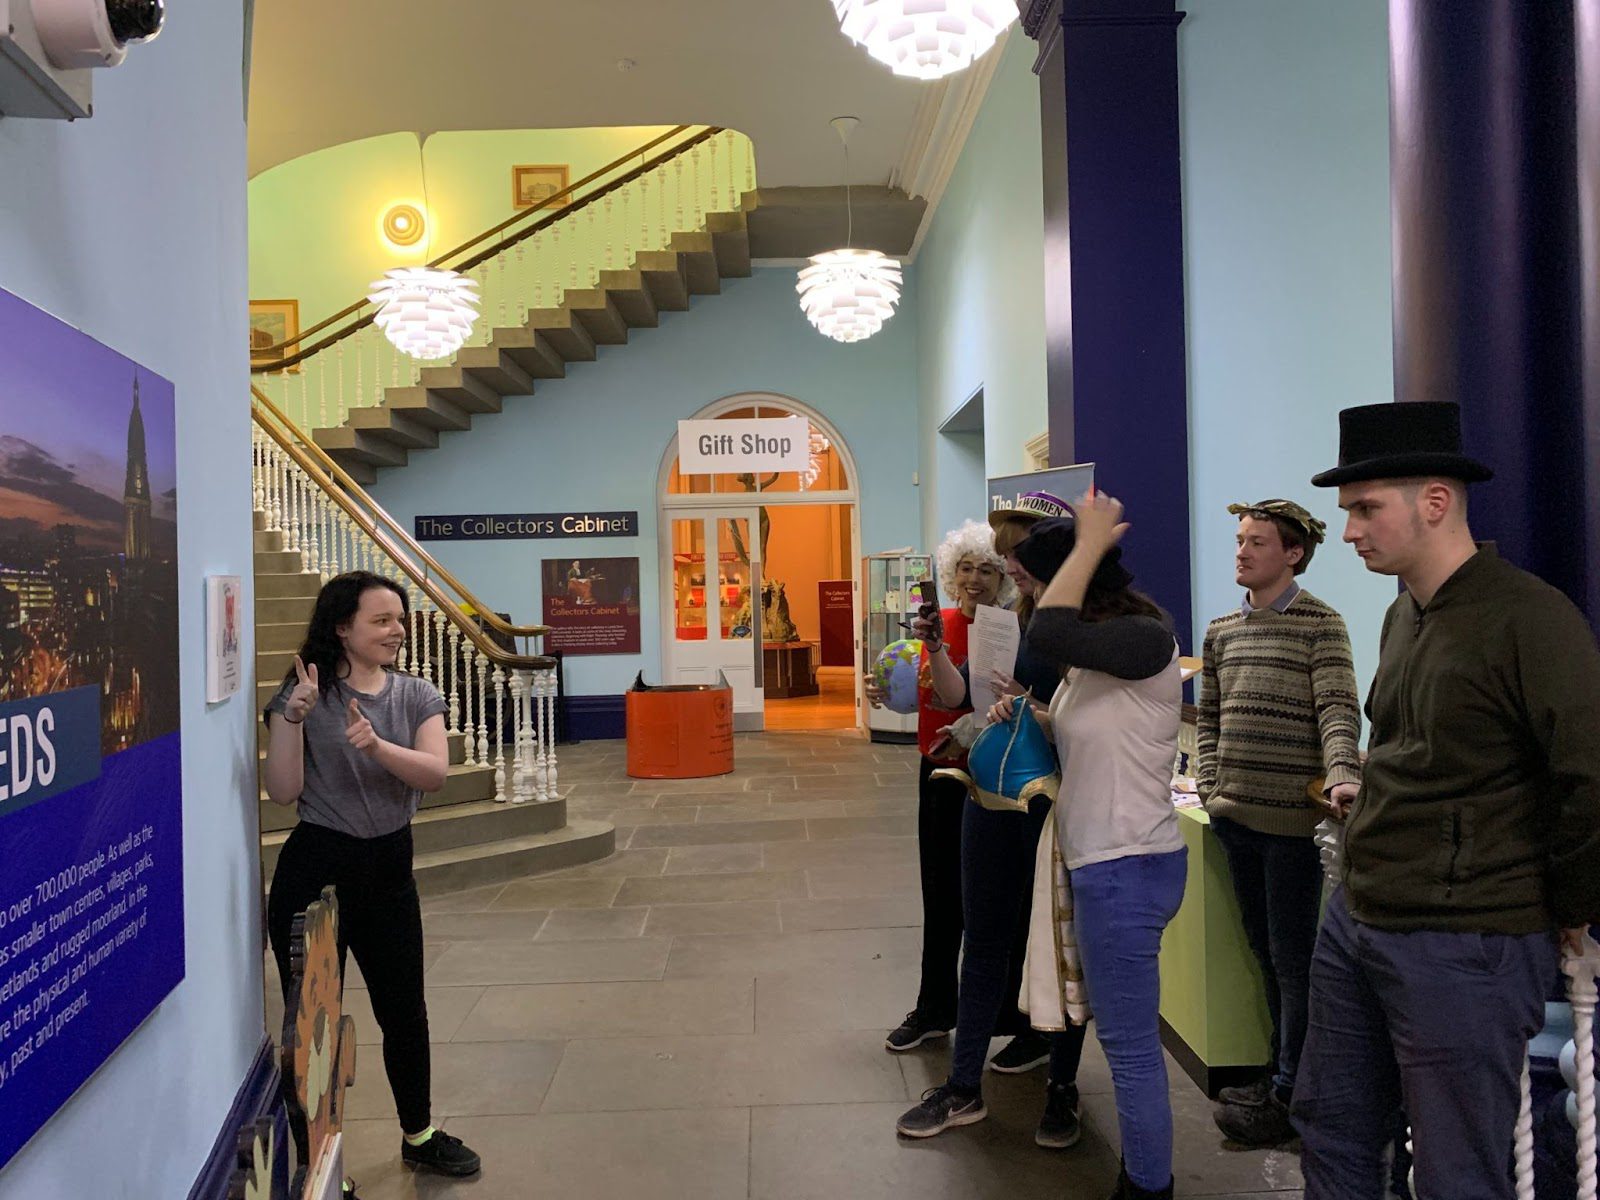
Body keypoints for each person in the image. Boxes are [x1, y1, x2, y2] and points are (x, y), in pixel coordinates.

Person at [1295, 401, 1600, 1199]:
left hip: (1465, 940)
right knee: (1331, 1127)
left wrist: (1571, 906)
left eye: (1366, 509)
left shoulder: (1531, 619)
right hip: (1361, 915)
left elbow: (1588, 776)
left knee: (1456, 1168)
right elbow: (1413, 747)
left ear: (1435, 501)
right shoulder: (1405, 613)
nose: (1350, 531)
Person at [263, 570, 481, 1178]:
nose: (396, 630)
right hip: (316, 873)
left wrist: (377, 746)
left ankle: (420, 1134)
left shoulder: (415, 694)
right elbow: (283, 791)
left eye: (399, 619)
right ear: (342, 627)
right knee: (313, 1026)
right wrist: (291, 719)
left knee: (404, 1011)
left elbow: (435, 773)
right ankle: (320, 1168)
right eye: (381, 620)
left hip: (389, 871)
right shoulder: (303, 693)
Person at [1000, 496, 1187, 1200]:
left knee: (1131, 1051)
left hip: (1125, 865)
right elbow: (1100, 731)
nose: (1033, 596)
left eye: (1039, 579)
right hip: (1107, 861)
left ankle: (1148, 1188)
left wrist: (1087, 544)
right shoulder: (1100, 653)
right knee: (1125, 1043)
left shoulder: (1144, 638)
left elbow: (1049, 628)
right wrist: (1034, 715)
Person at [893, 501, 1090, 1151]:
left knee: (1057, 944)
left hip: (1056, 804)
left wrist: (1033, 708)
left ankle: (1062, 1086)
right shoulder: (1016, 621)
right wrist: (988, 710)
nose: (1007, 568)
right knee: (982, 937)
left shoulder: (1086, 626)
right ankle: (961, 1086)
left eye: (1014, 557)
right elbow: (970, 699)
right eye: (1001, 557)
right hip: (990, 794)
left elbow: (1096, 720)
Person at [1199, 498, 1363, 1146]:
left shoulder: (1321, 624)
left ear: (1293, 553)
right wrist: (1211, 786)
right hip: (1236, 819)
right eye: (1240, 540)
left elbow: (1338, 710)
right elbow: (1209, 718)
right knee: (1265, 955)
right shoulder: (1221, 630)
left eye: (1257, 542)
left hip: (1293, 827)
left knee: (1295, 962)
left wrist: (1342, 772)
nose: (1242, 551)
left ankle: (1293, 1095)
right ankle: (1278, 1076)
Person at [867, 521, 1013, 1056]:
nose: (974, 579)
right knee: (940, 892)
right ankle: (934, 1008)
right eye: (966, 568)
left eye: (987, 570)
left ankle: (1005, 1015)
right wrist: (885, 690)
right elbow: (921, 691)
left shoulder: (1009, 630)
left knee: (994, 903)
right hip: (937, 773)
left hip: (992, 775)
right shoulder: (936, 626)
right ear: (952, 574)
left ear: (1003, 578)